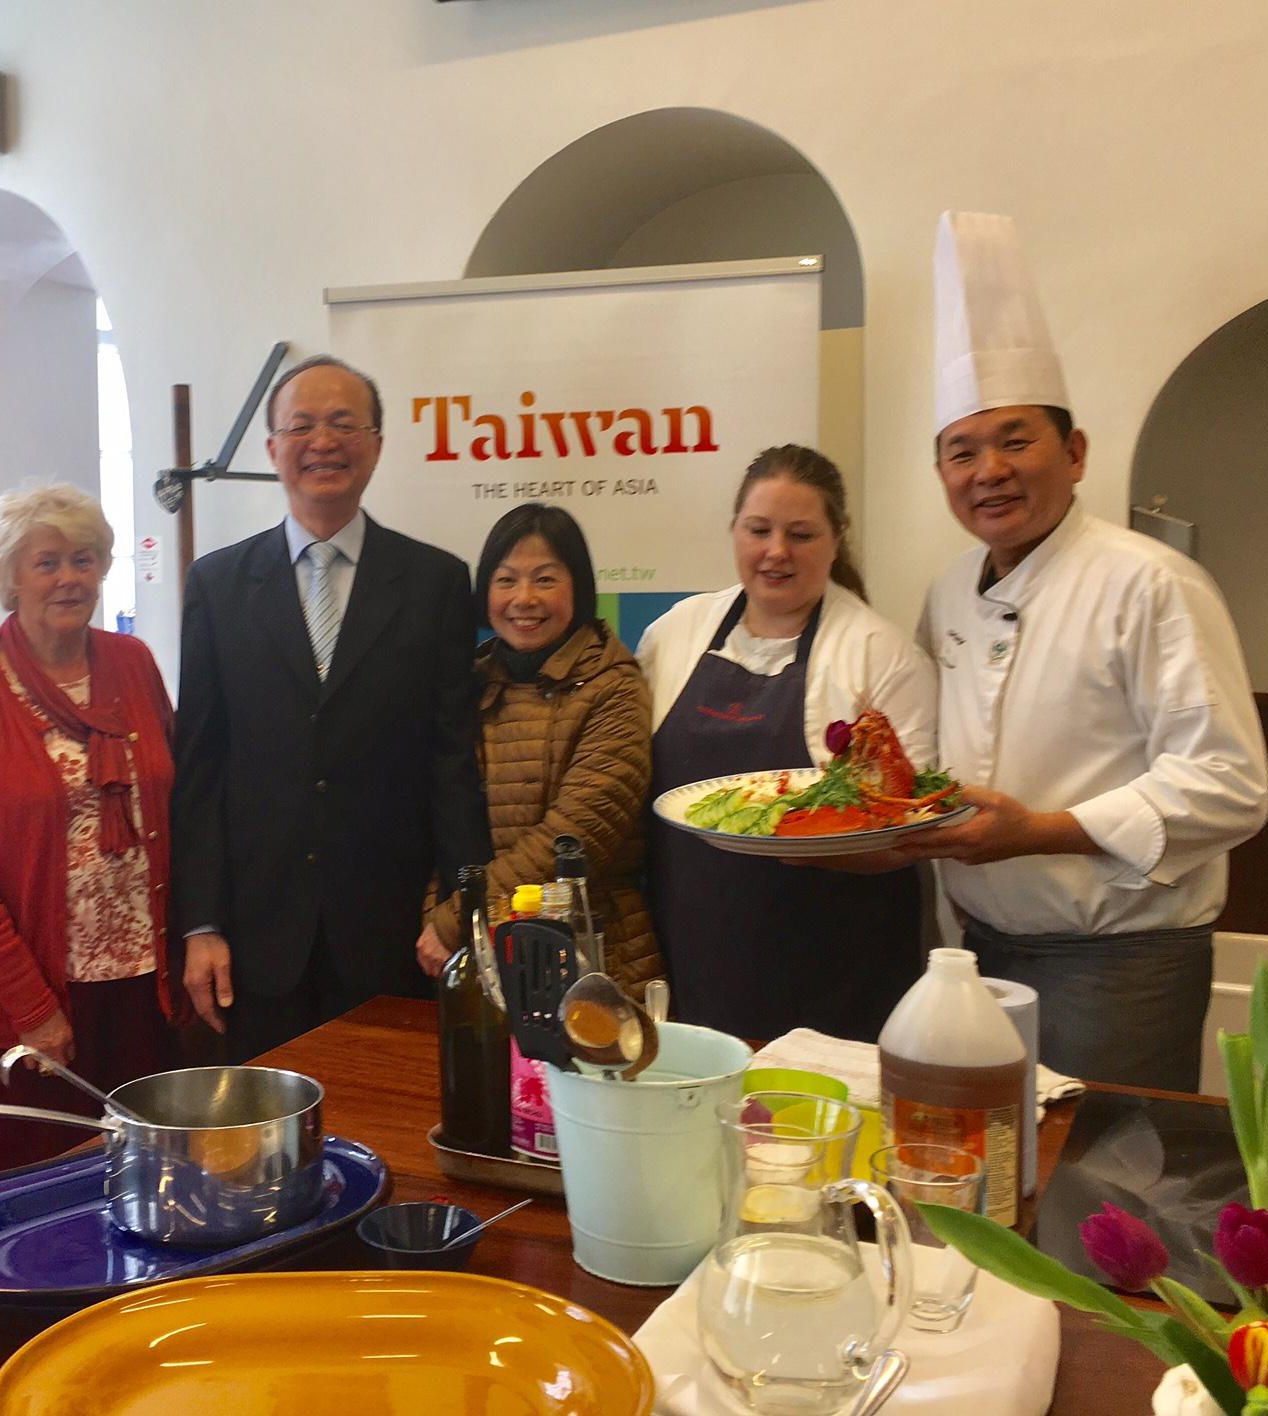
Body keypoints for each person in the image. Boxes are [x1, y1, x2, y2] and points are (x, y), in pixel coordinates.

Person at [897, 211, 1268, 1090]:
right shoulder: (949, 591)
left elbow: (1229, 786)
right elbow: (930, 762)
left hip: (1122, 966)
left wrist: (1039, 833)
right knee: (986, 1188)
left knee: (1102, 1197)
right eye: (962, 450)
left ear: (1075, 452)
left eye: (1015, 440)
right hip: (978, 952)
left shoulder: (1152, 583)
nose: (988, 469)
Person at [172, 354, 490, 1061]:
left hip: (395, 929)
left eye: (345, 423)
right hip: (255, 935)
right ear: (272, 450)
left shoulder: (436, 581)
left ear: (377, 443)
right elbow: (200, 766)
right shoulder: (218, 585)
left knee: (392, 1129)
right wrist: (200, 924)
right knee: (266, 1146)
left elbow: (453, 761)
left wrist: (464, 910)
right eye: (303, 425)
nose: (324, 441)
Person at [0, 481, 181, 1171]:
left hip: (145, 987)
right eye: (48, 562)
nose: (70, 578)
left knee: (148, 1182)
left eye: (85, 558)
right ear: (10, 579)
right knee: (38, 1200)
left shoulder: (133, 663)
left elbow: (175, 807)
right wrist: (32, 1008)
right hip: (30, 999)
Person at [635, 445, 935, 1042]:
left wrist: (794, 842)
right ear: (734, 531)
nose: (776, 552)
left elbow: (912, 829)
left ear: (837, 537)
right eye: (758, 530)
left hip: (839, 969)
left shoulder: (881, 653)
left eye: (801, 534)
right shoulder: (674, 633)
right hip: (694, 954)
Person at [416, 503, 661, 998]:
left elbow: (575, 835)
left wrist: (458, 917)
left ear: (580, 587)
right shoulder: (472, 680)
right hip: (483, 958)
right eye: (505, 581)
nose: (523, 599)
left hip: (591, 954)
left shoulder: (612, 686)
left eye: (545, 579)